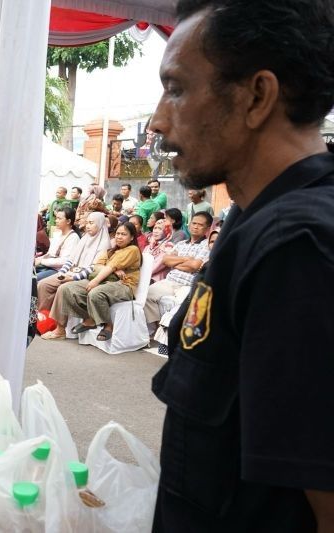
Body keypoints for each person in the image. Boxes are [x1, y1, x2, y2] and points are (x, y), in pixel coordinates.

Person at [149, 0, 334, 529]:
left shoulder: (297, 251)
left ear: (257, 96)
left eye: (177, 88)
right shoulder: (253, 221)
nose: (160, 119)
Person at [55, 222, 142, 342]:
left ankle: (108, 325)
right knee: (67, 289)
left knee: (95, 292)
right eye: (117, 233)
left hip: (124, 285)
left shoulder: (132, 249)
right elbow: (97, 266)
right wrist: (114, 270)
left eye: (123, 234)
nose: (119, 237)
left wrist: (100, 277)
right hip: (105, 281)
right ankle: (91, 318)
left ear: (132, 237)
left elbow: (109, 266)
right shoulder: (111, 251)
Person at [38, 211, 109, 339]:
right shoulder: (85, 238)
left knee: (62, 288)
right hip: (72, 272)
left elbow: (95, 267)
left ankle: (60, 330)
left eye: (91, 223)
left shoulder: (104, 243)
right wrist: (62, 272)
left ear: (99, 224)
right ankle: (43, 321)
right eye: (87, 222)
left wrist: (73, 277)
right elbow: (71, 259)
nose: (87, 226)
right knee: (44, 284)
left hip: (88, 277)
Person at [144, 212, 211, 328]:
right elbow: (165, 260)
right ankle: (155, 326)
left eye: (200, 225)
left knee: (182, 305)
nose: (195, 226)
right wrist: (186, 259)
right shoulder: (180, 244)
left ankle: (170, 332)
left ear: (208, 228)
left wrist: (175, 263)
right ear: (189, 225)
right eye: (194, 223)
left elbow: (195, 266)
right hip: (170, 281)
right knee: (147, 295)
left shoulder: (207, 245)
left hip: (188, 284)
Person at [34, 207, 79, 280]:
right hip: (48, 266)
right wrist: (38, 259)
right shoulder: (58, 234)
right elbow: (50, 254)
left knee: (33, 279)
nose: (56, 221)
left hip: (58, 270)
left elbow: (65, 261)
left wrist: (42, 261)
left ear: (68, 221)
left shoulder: (73, 238)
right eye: (56, 218)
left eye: (59, 219)